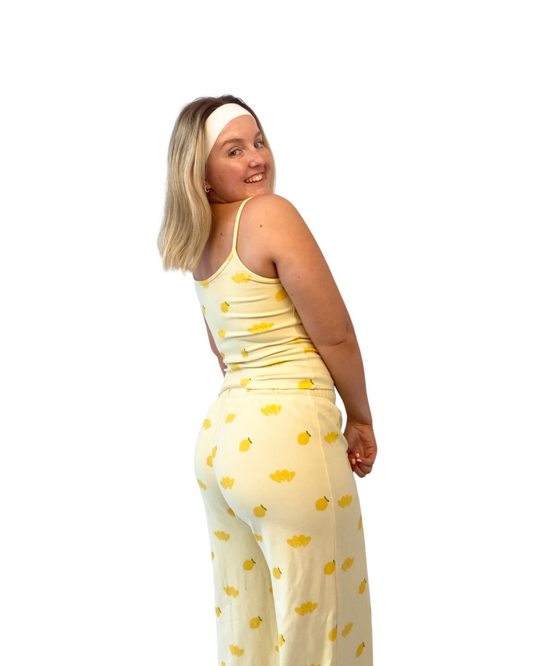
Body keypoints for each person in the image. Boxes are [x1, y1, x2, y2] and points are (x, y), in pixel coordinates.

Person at [158, 95, 377, 666]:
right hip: (288, 440)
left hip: (222, 445)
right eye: (234, 150)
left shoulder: (202, 241)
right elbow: (335, 336)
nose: (257, 158)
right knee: (321, 635)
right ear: (202, 174)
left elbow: (221, 352)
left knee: (248, 632)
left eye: (258, 141)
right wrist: (360, 418)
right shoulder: (269, 215)